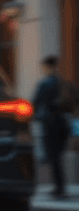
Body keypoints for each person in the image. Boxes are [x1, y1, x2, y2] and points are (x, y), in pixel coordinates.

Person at [32, 56, 74, 199]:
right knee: (58, 157)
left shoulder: (45, 84)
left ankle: (59, 188)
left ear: (46, 67)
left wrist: (35, 118)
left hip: (50, 123)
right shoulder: (63, 83)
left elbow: (36, 103)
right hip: (63, 123)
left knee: (53, 157)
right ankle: (60, 187)